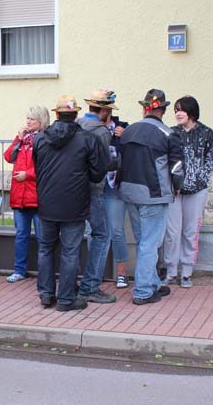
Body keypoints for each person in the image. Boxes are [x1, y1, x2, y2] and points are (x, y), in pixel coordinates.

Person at [33, 95, 108, 312]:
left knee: (45, 248)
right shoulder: (87, 139)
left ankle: (46, 294)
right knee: (70, 251)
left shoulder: (40, 138)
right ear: (76, 114)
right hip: (75, 204)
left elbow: (37, 167)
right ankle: (66, 299)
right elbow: (97, 173)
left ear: (56, 114)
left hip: (47, 202)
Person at [117, 88, 183, 305]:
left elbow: (119, 161)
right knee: (149, 243)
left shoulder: (128, 131)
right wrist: (178, 186)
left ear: (144, 109)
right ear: (163, 110)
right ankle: (144, 290)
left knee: (142, 241)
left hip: (129, 192)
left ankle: (152, 283)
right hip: (154, 194)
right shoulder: (168, 134)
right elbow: (177, 167)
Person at [162, 96, 213, 288]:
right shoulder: (171, 133)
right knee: (172, 232)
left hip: (196, 190)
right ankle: (170, 271)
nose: (178, 113)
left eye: (182, 110)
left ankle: (186, 272)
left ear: (191, 111)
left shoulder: (206, 133)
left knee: (190, 231)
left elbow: (210, 160)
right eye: (176, 110)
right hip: (174, 191)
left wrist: (198, 180)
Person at [75, 89, 119, 304]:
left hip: (72, 190)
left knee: (73, 236)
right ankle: (90, 286)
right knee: (102, 235)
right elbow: (101, 163)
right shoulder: (101, 132)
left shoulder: (76, 124)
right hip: (93, 190)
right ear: (104, 110)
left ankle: (70, 283)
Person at [2, 106, 50, 283]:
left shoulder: (45, 140)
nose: (28, 121)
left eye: (32, 119)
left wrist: (28, 175)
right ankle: (19, 270)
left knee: (42, 237)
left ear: (41, 121)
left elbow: (47, 168)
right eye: (27, 118)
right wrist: (18, 138)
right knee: (21, 235)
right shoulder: (23, 140)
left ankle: (45, 273)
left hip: (37, 196)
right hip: (20, 196)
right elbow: (8, 157)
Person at [95, 90, 137, 289]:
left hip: (114, 186)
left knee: (117, 230)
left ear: (109, 110)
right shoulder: (91, 128)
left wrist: (125, 137)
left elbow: (133, 153)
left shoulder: (123, 127)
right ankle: (95, 274)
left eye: (102, 109)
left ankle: (122, 274)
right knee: (95, 231)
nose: (99, 112)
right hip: (95, 186)